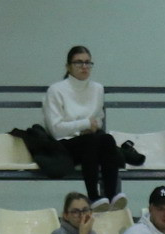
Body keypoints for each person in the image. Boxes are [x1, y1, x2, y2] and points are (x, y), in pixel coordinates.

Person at [44, 45, 124, 212]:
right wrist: (86, 124)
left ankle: (111, 195)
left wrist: (92, 126)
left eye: (88, 63)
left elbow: (98, 119)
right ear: (68, 66)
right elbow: (56, 129)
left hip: (89, 139)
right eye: (79, 63)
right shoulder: (56, 90)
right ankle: (93, 196)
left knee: (107, 139)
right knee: (91, 142)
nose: (84, 67)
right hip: (65, 144)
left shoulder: (97, 89)